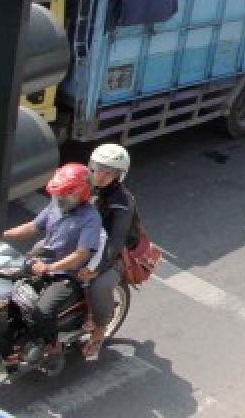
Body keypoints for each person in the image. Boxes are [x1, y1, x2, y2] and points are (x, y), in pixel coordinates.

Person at [2, 163, 101, 368]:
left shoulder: (90, 219)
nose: (58, 200)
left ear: (79, 194)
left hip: (67, 275)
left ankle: (54, 348)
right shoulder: (56, 207)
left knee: (42, 311)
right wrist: (2, 234)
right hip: (42, 261)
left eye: (63, 196)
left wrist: (51, 268)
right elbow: (33, 227)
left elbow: (81, 254)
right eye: (57, 195)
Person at [77, 144, 136, 361]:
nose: (100, 175)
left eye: (108, 172)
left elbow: (116, 241)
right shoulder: (83, 185)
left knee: (99, 284)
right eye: (96, 168)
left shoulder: (123, 202)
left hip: (113, 254)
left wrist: (96, 269)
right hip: (84, 241)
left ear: (119, 175)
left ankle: (100, 328)